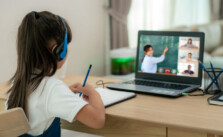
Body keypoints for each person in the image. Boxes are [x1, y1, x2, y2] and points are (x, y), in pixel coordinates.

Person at [5, 11, 105, 137]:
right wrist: (93, 93)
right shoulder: (52, 89)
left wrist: (64, 93)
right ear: (58, 51)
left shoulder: (17, 83)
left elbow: (42, 102)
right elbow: (98, 120)